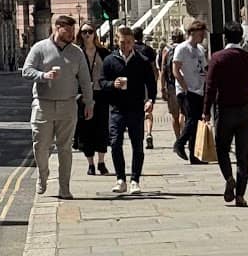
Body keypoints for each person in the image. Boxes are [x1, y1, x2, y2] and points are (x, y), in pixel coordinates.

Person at [23, 14, 94, 198]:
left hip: (68, 105)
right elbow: (27, 70)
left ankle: (64, 188)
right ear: (57, 28)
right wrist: (43, 76)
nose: (72, 34)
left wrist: (89, 102)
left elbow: (86, 80)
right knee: (41, 146)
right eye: (68, 30)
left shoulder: (77, 52)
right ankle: (42, 174)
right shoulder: (40, 48)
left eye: (73, 30)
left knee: (65, 148)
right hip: (43, 105)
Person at [202, 22, 248, 206]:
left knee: (222, 148)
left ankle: (229, 178)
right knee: (243, 154)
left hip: (225, 110)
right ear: (242, 37)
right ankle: (240, 195)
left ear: (224, 37)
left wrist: (206, 111)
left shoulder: (217, 58)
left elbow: (210, 87)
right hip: (245, 110)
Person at [96, 26, 158, 195]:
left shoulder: (142, 61)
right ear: (117, 41)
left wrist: (150, 100)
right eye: (122, 42)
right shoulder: (110, 60)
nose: (125, 45)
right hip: (116, 109)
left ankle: (135, 180)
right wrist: (112, 84)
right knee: (115, 144)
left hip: (136, 109)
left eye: (129, 42)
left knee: (137, 145)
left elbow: (151, 83)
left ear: (133, 42)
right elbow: (101, 81)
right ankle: (121, 179)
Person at [172, 18, 209, 163]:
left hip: (199, 88)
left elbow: (204, 68)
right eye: (200, 34)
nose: (202, 37)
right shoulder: (182, 48)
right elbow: (175, 69)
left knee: (197, 121)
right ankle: (180, 143)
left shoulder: (200, 49)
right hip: (187, 90)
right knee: (192, 120)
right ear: (192, 33)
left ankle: (194, 154)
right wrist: (184, 86)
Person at [75, 23, 109, 177]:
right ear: (80, 35)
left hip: (100, 95)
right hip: (82, 96)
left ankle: (101, 162)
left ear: (95, 34)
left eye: (90, 32)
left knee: (101, 127)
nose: (87, 35)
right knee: (85, 129)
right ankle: (91, 164)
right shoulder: (77, 53)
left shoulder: (103, 53)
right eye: (84, 32)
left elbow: (110, 72)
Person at [132, 26, 158, 149]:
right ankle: (149, 133)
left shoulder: (131, 49)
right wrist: (155, 79)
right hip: (146, 84)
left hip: (134, 84)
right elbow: (153, 67)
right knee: (148, 110)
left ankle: (139, 135)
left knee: (136, 112)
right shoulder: (148, 50)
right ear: (142, 36)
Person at [160, 31, 184, 134]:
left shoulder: (166, 50)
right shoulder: (184, 48)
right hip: (184, 84)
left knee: (175, 115)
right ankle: (184, 135)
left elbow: (163, 71)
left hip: (171, 86)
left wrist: (162, 88)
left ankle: (178, 139)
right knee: (184, 113)